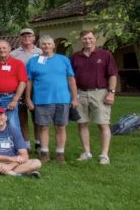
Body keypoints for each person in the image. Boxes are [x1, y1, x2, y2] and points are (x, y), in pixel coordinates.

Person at [26, 35, 78, 163]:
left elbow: (71, 79)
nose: (46, 46)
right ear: (40, 46)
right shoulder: (33, 61)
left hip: (62, 99)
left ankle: (60, 153)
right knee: (43, 127)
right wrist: (28, 98)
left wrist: (75, 97)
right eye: (43, 44)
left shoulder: (63, 59)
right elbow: (28, 81)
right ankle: (44, 153)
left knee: (61, 127)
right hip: (42, 99)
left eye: (49, 44)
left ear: (53, 45)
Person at [70, 30, 118, 164]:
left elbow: (113, 74)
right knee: (82, 123)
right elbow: (71, 77)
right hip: (80, 93)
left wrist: (111, 92)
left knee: (103, 124)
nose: (88, 41)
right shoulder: (75, 57)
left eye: (90, 38)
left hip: (100, 93)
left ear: (95, 39)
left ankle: (104, 155)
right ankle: (86, 152)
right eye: (84, 38)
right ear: (81, 40)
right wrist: (73, 96)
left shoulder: (105, 54)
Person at [0, 107, 42, 177]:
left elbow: (25, 155)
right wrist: (9, 158)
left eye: (1, 115)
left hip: (12, 163)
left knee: (37, 162)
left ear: (6, 117)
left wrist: (10, 166)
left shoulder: (14, 131)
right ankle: (16, 174)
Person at [0, 40, 28, 137]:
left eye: (4, 48)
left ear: (9, 49)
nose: (2, 50)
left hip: (9, 98)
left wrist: (15, 100)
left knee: (12, 124)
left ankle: (17, 148)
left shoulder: (18, 63)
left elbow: (22, 82)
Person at [12, 28, 42, 144]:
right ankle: (26, 144)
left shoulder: (41, 52)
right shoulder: (14, 54)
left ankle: (39, 143)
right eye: (24, 36)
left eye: (29, 36)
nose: (26, 38)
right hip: (20, 88)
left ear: (34, 38)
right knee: (22, 117)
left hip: (37, 88)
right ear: (20, 38)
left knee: (37, 118)